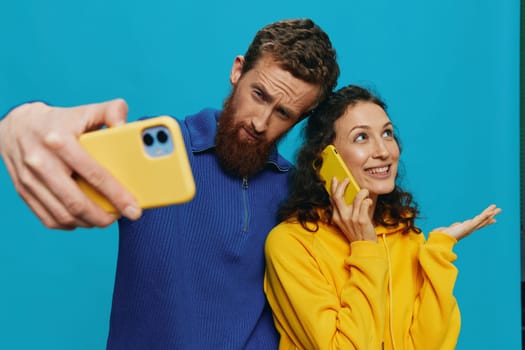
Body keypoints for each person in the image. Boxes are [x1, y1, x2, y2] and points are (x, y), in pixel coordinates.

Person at [0, 19, 339, 349]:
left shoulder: (297, 190)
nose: (260, 122)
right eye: (260, 95)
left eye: (283, 113)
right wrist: (19, 122)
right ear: (238, 71)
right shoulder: (155, 148)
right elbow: (63, 159)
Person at [263, 85, 501, 350]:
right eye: (361, 138)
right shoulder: (291, 244)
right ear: (326, 158)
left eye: (387, 133)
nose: (384, 151)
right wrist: (364, 248)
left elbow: (432, 345)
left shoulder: (407, 238)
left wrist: (438, 253)